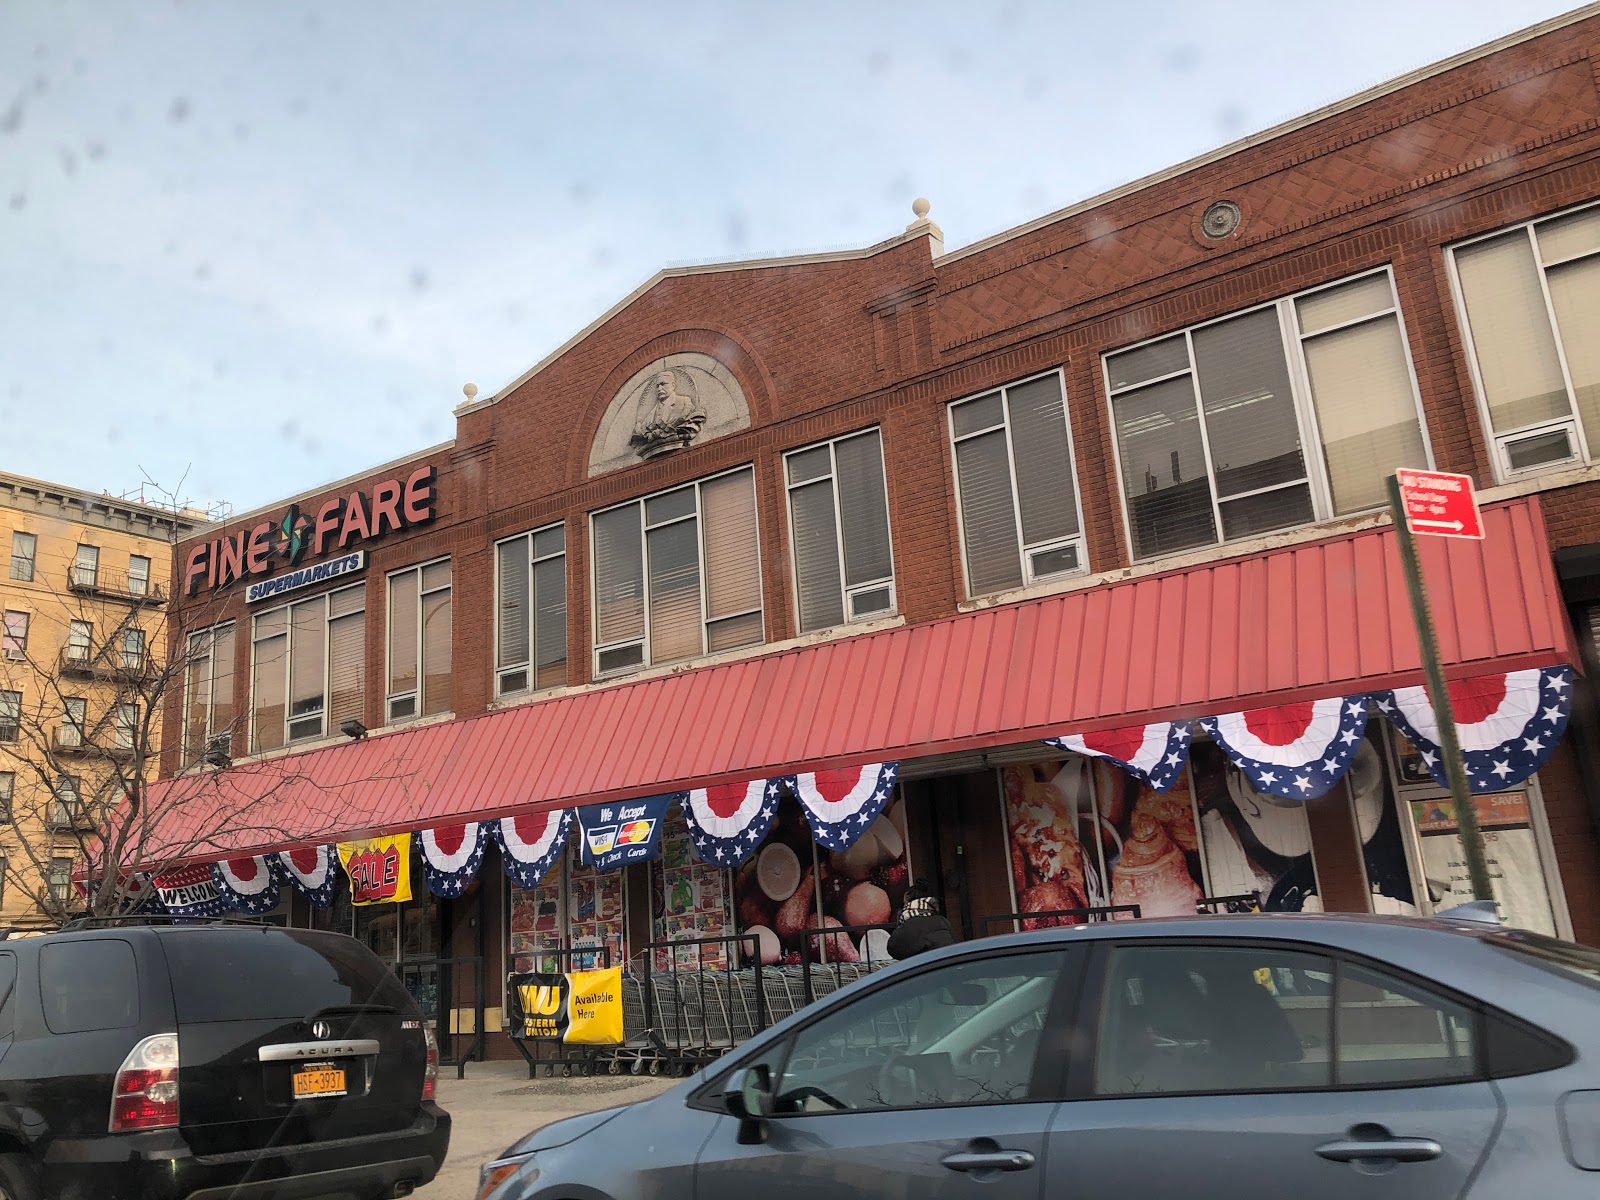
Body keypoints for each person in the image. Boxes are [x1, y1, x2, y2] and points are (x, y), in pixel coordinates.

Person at [887, 879, 956, 961]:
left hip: (925, 969)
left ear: (909, 904)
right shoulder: (942, 920)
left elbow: (893, 948)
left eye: (904, 903)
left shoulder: (909, 925)